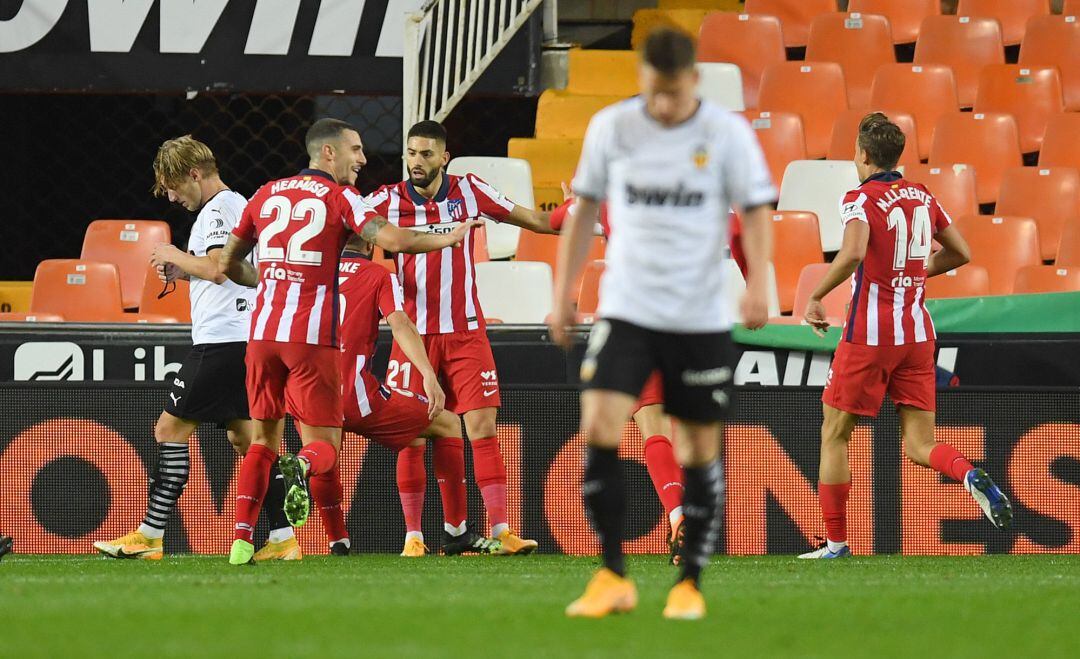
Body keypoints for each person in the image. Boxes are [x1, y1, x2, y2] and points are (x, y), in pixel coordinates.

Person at [549, 27, 776, 620]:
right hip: (627, 306)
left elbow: (753, 211)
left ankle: (690, 583)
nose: (663, 105)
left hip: (698, 314)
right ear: (642, 81)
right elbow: (582, 215)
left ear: (694, 81)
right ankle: (612, 574)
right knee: (599, 421)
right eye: (653, 92)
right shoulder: (613, 128)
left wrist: (759, 284)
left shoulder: (726, 134)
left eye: (673, 93)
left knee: (699, 446)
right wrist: (564, 293)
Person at [217, 118, 478, 565]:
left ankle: (243, 540)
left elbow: (227, 263)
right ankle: (447, 529)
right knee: (324, 449)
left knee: (262, 440)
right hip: (311, 343)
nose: (362, 159)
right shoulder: (342, 200)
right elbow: (392, 239)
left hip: (262, 335)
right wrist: (445, 237)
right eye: (355, 150)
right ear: (329, 153)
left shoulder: (264, 193)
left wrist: (276, 279)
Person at [798, 112, 1012, 560]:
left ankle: (835, 543)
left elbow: (854, 251)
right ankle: (970, 474)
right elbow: (961, 252)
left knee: (834, 433)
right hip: (917, 334)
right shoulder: (921, 194)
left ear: (862, 154)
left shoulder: (859, 197)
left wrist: (817, 294)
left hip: (870, 336)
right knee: (920, 444)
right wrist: (911, 273)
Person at [93, 136, 293, 560]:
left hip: (223, 341)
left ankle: (149, 536)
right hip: (245, 337)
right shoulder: (234, 204)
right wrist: (183, 271)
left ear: (193, 174)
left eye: (171, 186)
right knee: (250, 440)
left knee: (169, 430)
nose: (170, 196)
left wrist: (173, 254)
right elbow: (226, 269)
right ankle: (283, 539)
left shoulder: (218, 209)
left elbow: (220, 269)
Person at [365, 120, 552, 556]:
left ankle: (502, 529)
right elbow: (339, 229)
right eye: (411, 153)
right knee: (415, 432)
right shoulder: (385, 202)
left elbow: (535, 220)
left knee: (482, 426)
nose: (416, 161)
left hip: (466, 331)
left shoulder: (470, 191)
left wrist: (578, 216)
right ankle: (414, 536)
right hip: (413, 336)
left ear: (444, 157)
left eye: (426, 154)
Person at [334, 234, 499, 556]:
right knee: (445, 423)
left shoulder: (311, 276)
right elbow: (399, 323)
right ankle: (456, 531)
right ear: (371, 245)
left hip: (306, 392)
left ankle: (323, 539)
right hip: (358, 395)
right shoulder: (379, 274)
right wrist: (426, 374)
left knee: (319, 455)